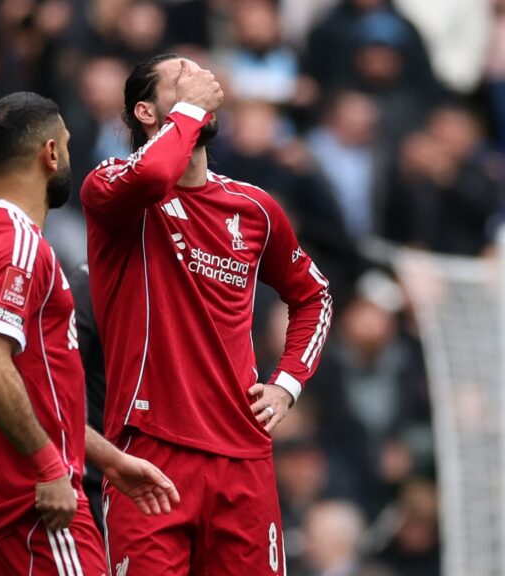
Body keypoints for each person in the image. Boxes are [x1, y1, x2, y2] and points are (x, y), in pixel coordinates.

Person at [81, 54, 334, 574]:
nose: (200, 81)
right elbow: (153, 174)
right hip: (148, 459)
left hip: (244, 456)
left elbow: (314, 296)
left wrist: (288, 382)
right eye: (181, 78)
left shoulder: (255, 208)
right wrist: (191, 109)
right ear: (147, 112)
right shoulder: (114, 188)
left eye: (202, 74)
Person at [0, 92, 179, 575]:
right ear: (50, 154)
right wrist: (49, 466)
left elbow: (35, 388)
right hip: (32, 503)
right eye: (64, 145)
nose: (67, 155)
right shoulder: (18, 244)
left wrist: (108, 459)